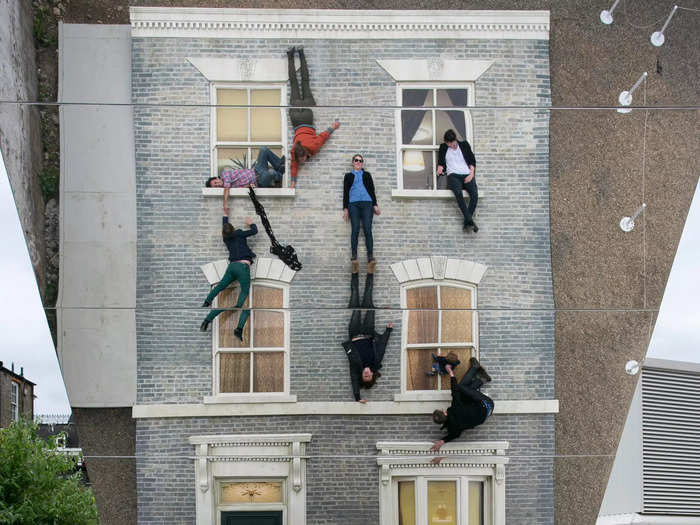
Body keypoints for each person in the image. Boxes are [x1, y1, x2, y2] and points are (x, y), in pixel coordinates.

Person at [287, 46, 340, 188]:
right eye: (302, 160)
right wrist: (292, 182)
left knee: (305, 83)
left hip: (307, 117)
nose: (302, 162)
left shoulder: (312, 147)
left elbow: (323, 136)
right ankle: (291, 55)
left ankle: (301, 53)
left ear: (303, 155)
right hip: (297, 120)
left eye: (302, 160)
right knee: (295, 84)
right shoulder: (294, 150)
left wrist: (332, 127)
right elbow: (293, 165)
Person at [200, 213, 258, 340]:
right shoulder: (240, 233)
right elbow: (255, 231)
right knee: (246, 305)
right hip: (242, 267)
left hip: (232, 267)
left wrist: (225, 213)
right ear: (233, 228)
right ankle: (239, 329)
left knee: (221, 285)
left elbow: (224, 226)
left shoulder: (226, 238)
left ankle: (207, 303)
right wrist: (250, 223)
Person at [341, 264, 393, 403]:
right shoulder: (376, 362)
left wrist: (357, 398)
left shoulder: (356, 366)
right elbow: (382, 346)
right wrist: (388, 331)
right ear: (373, 374)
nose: (366, 374)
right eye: (369, 376)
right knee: (369, 299)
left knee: (355, 299)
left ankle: (355, 272)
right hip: (369, 332)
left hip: (355, 332)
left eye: (365, 376)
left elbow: (354, 380)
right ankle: (370, 272)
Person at [430, 358, 493, 451]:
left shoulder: (452, 428)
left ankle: (482, 379)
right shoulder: (455, 408)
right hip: (486, 403)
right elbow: (455, 390)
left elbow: (455, 435)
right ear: (445, 413)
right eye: (442, 410)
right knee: (461, 387)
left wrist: (443, 441)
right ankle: (475, 368)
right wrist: (450, 372)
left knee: (463, 395)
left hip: (486, 413)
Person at [206, 147, 285, 208]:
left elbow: (226, 188)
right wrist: (249, 186)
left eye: (216, 182)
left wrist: (225, 204)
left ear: (217, 178)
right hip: (260, 180)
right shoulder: (231, 187)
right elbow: (244, 186)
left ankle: (279, 166)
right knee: (271, 172)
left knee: (264, 149)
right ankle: (280, 173)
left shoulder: (225, 174)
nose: (217, 184)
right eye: (216, 186)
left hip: (257, 169)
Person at [437, 129, 479, 233]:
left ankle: (467, 222)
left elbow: (472, 160)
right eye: (448, 144)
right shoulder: (443, 147)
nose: (450, 146)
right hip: (453, 175)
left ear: (455, 140)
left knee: (474, 195)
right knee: (458, 193)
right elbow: (441, 162)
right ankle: (470, 221)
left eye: (452, 144)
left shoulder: (464, 145)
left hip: (466, 174)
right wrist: (440, 168)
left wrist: (471, 174)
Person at [343, 154, 380, 269]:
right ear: (353, 162)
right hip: (353, 204)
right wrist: (346, 209)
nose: (358, 162)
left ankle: (370, 256)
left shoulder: (367, 175)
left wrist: (375, 204)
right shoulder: (348, 176)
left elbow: (372, 190)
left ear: (362, 163)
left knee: (367, 229)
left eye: (361, 160)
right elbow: (345, 192)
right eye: (356, 160)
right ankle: (354, 256)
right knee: (355, 229)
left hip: (367, 204)